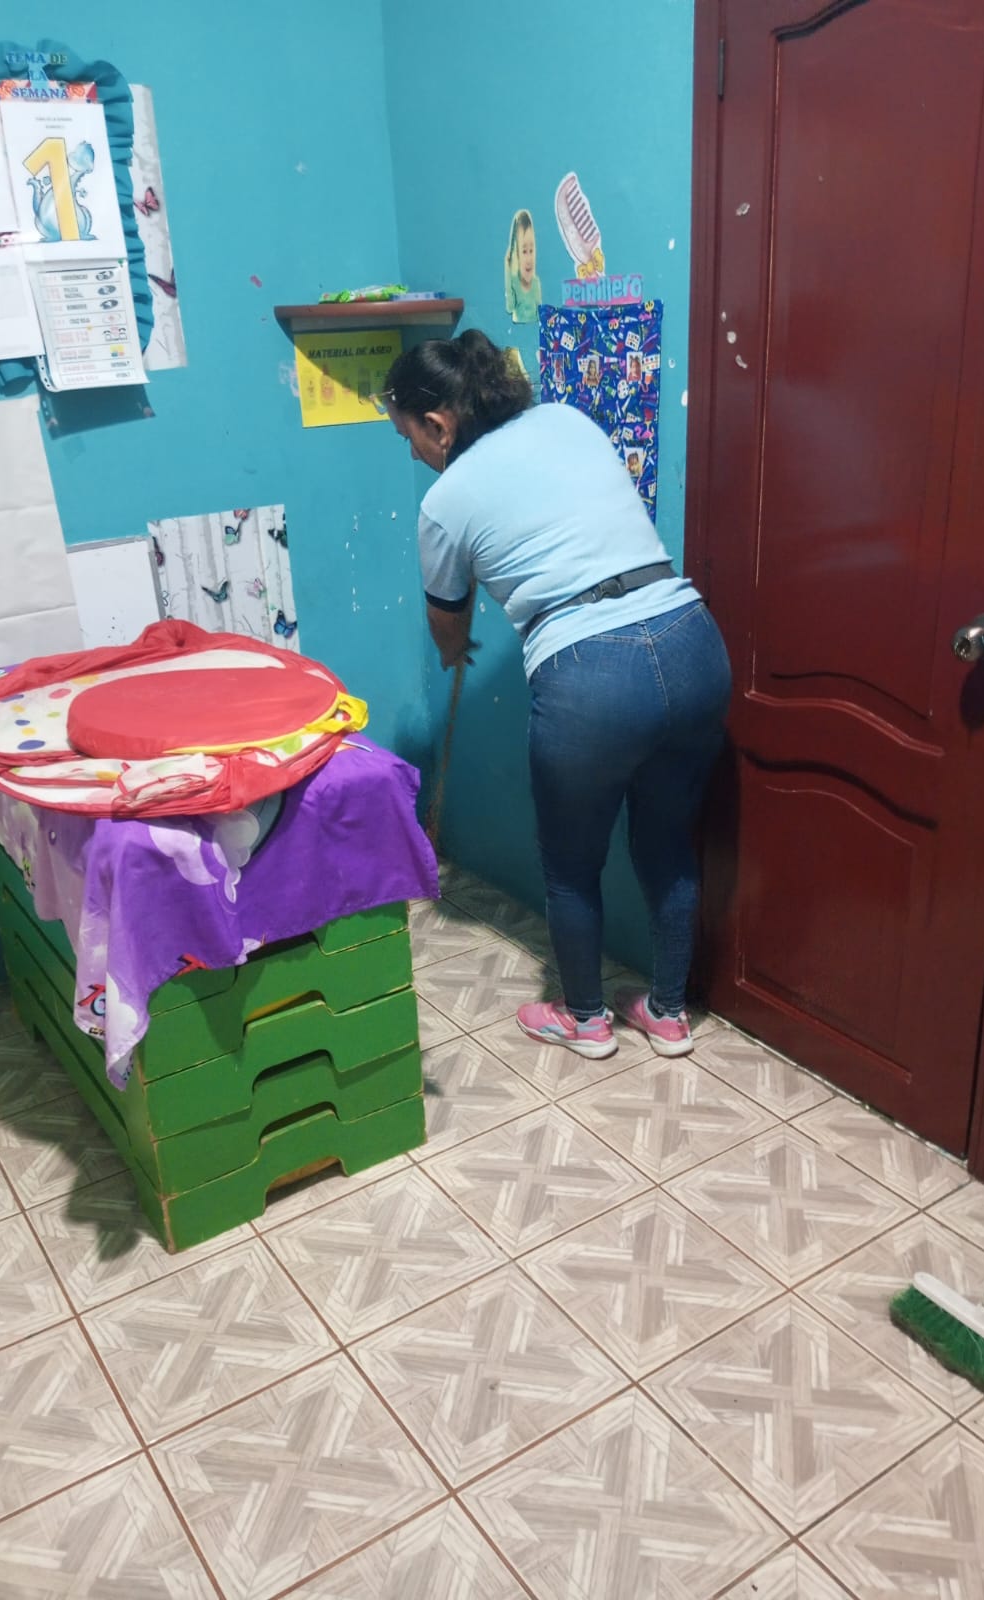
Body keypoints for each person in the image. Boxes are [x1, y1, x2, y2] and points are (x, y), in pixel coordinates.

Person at [382, 329, 731, 1060]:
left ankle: (585, 1019)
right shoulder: (565, 418)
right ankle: (668, 1013)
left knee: (571, 865)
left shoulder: (445, 500)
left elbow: (447, 616)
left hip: (592, 675)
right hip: (690, 639)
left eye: (408, 435)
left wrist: (454, 651)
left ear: (439, 423)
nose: (411, 452)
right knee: (667, 841)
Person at [504, 209, 542, 324]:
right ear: (516, 254)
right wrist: (508, 272)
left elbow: (540, 315)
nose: (529, 259)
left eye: (531, 250)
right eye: (524, 251)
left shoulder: (536, 283)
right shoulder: (514, 283)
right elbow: (510, 308)